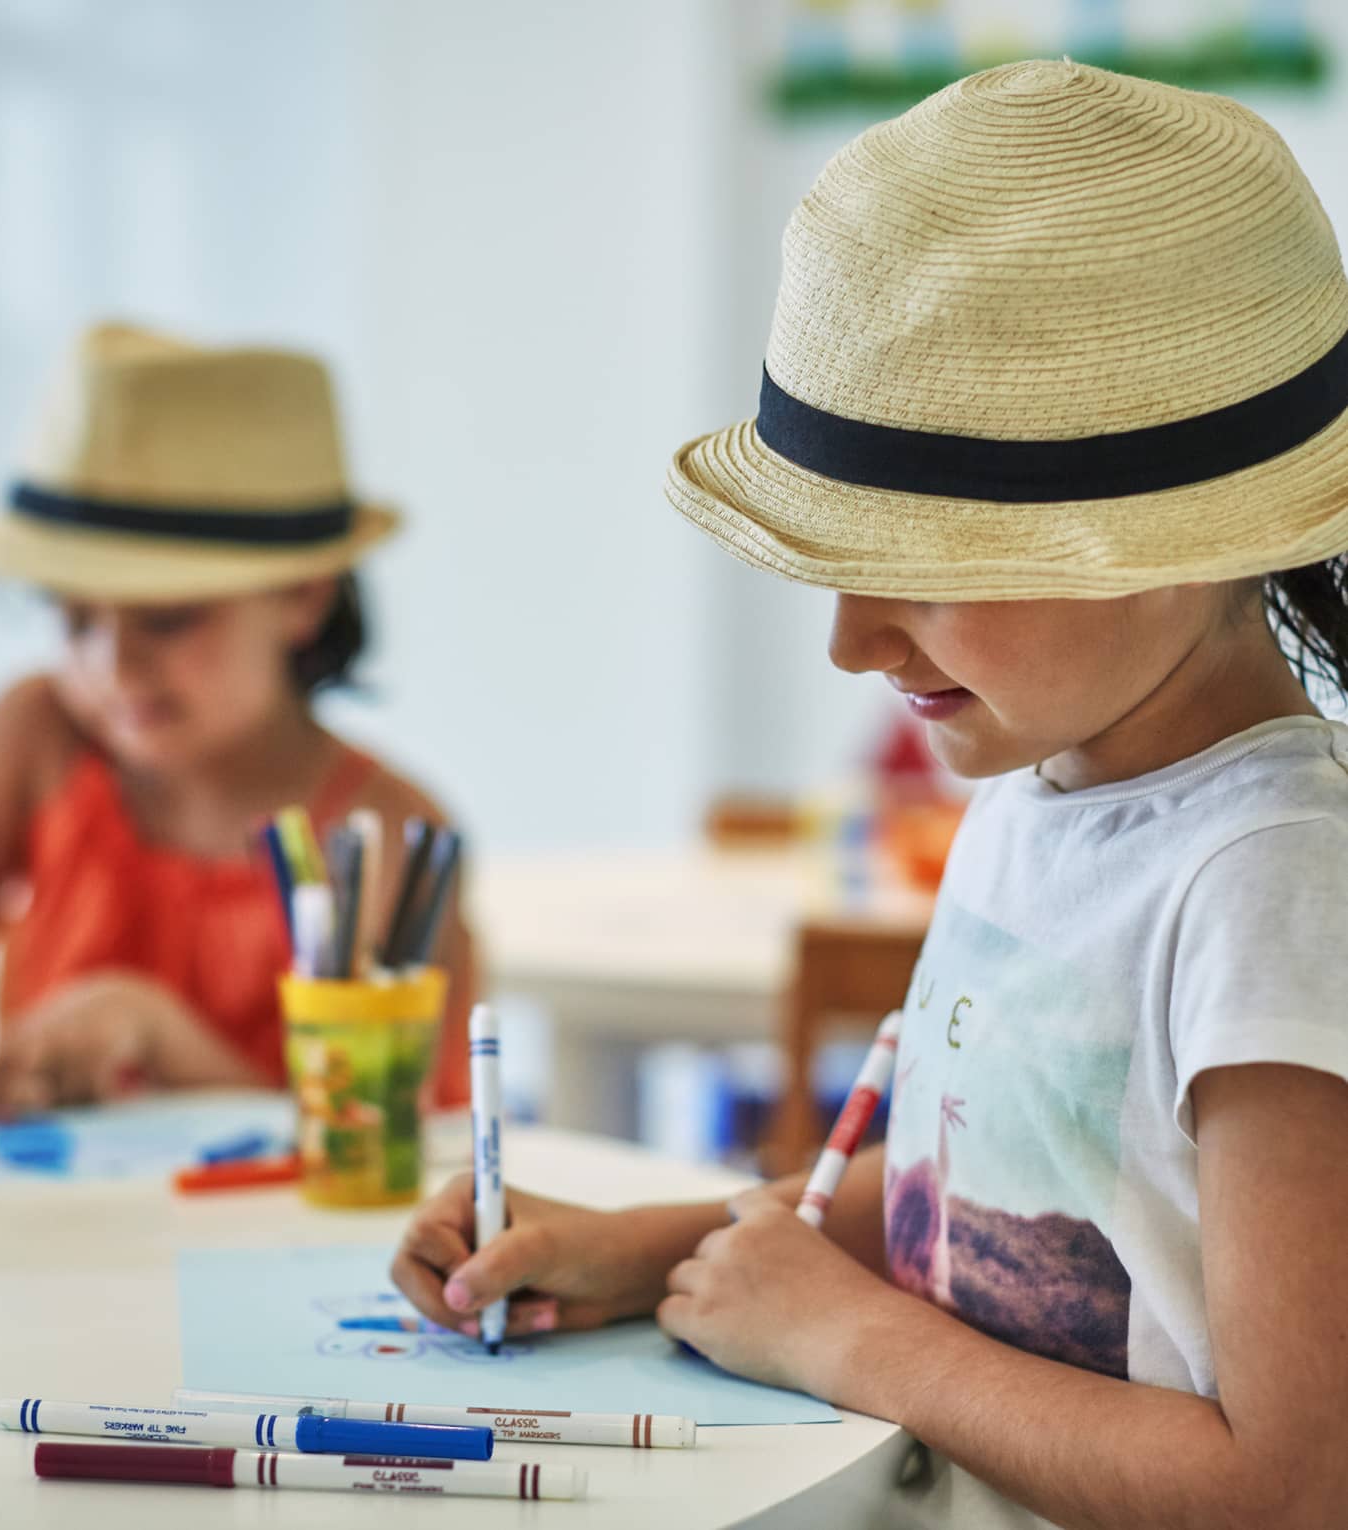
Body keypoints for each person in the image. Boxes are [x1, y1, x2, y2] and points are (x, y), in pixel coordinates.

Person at [393, 62, 1348, 1529]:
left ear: (1177, 534)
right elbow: (988, 1195)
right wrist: (655, 1246)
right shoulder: (1042, 785)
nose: (848, 639)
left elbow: (1290, 1486)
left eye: (928, 554)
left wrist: (844, 1337)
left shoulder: (1270, 884)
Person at [0, 323, 477, 1116]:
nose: (112, 667)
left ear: (303, 596)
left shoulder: (384, 841)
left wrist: (158, 1034)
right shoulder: (37, 735)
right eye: (75, 621)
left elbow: (378, 1135)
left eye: (166, 620)